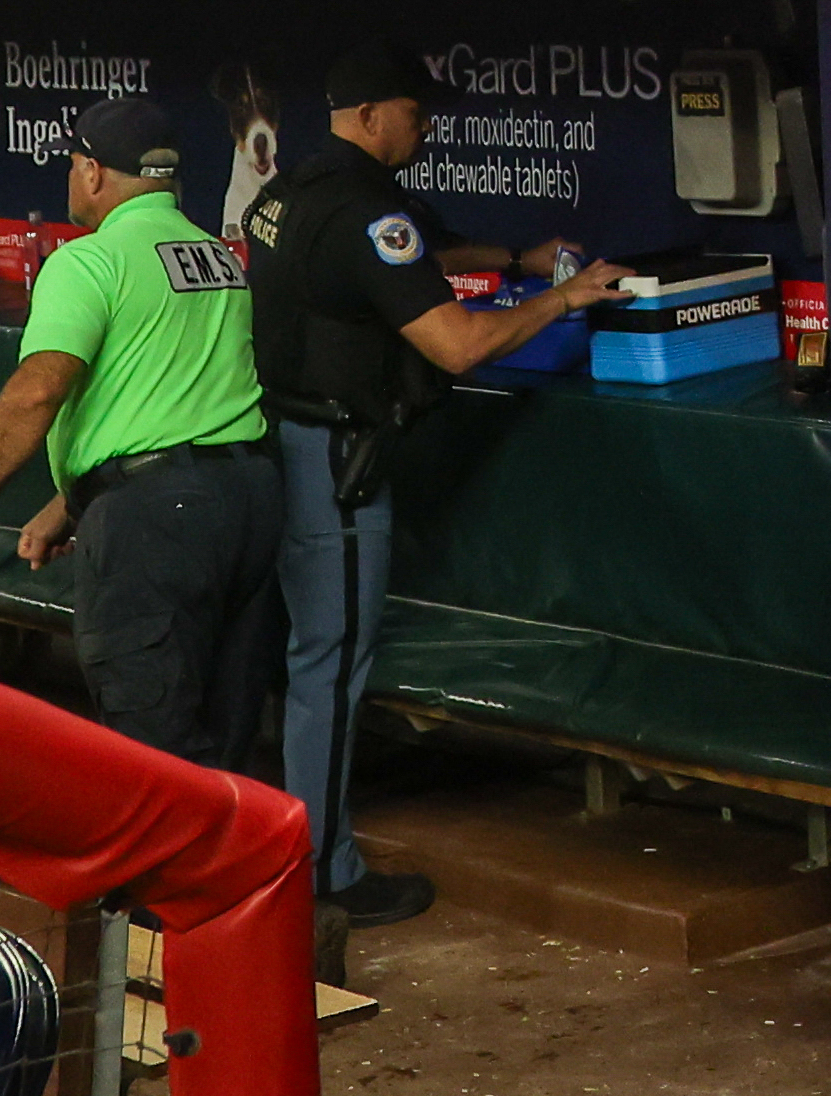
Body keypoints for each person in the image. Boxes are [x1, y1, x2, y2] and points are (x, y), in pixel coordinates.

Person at [245, 46, 629, 924]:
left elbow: (412, 250)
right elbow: (455, 343)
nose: (424, 128)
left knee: (305, 660)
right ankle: (322, 874)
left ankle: (301, 855)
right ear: (374, 114)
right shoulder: (367, 209)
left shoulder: (292, 187)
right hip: (332, 460)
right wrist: (562, 296)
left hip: (277, 435)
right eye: (415, 114)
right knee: (330, 667)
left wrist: (519, 257)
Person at [0, 97, 280, 771]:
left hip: (158, 523)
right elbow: (173, 398)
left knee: (151, 731)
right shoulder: (216, 257)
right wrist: (72, 500)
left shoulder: (88, 262)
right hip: (250, 501)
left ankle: (153, 875)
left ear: (92, 172)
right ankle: (225, 872)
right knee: (226, 725)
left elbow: (38, 389)